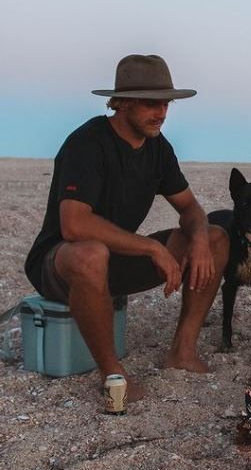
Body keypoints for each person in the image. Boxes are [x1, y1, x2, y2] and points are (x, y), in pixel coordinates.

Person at [25, 54, 229, 400]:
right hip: (60, 263)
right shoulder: (87, 143)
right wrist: (152, 248)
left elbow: (190, 207)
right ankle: (113, 375)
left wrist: (197, 240)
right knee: (92, 253)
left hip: (116, 259)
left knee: (215, 237)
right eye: (152, 104)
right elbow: (74, 225)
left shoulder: (159, 149)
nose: (162, 113)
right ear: (123, 103)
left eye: (166, 103)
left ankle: (182, 351)